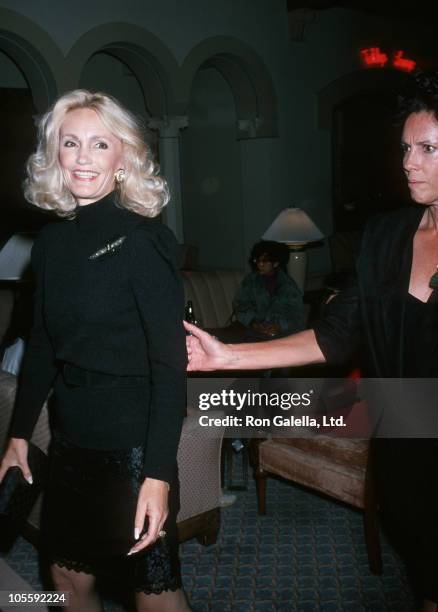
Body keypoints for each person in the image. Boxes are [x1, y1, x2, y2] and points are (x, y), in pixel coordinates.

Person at [185, 70, 438, 611]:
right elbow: (335, 335)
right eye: (406, 148)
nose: (409, 162)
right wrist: (227, 355)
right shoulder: (386, 234)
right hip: (402, 441)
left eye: (428, 148)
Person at [0, 90, 190, 612]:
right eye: (70, 143)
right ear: (54, 155)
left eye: (99, 144)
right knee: (65, 578)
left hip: (131, 450)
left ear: (122, 158)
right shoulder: (51, 243)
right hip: (71, 444)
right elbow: (41, 348)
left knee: (155, 597)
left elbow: (170, 367)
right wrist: (19, 434)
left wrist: (158, 475)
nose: (83, 158)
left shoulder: (144, 242)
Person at [232, 240, 304, 338]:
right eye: (257, 260)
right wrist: (253, 322)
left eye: (265, 261)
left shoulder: (288, 286)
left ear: (275, 263)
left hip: (281, 334)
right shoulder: (251, 281)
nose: (259, 264)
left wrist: (280, 326)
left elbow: (296, 314)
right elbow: (240, 304)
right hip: (254, 331)